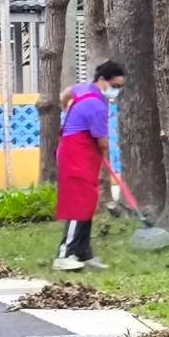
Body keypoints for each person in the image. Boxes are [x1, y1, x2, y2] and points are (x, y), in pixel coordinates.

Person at [53, 60, 126, 271]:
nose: (117, 91)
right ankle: (65, 254)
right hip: (75, 156)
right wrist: (102, 156)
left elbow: (65, 95)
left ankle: (83, 254)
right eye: (116, 86)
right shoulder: (96, 107)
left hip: (76, 152)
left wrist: (65, 109)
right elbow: (102, 142)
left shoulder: (84, 88)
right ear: (102, 80)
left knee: (87, 202)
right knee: (78, 204)